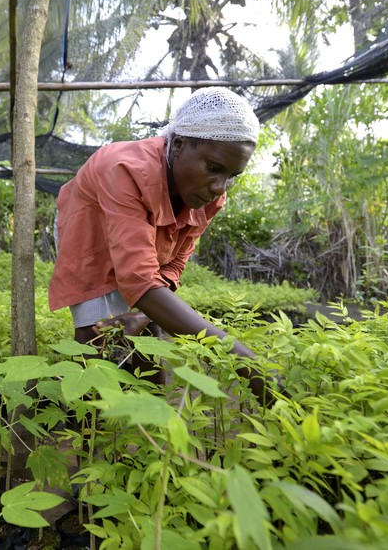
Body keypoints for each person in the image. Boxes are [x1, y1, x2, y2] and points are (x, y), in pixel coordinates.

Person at [48, 87, 278, 406]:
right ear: (180, 144)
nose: (219, 187)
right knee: (92, 336)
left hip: (139, 242)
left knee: (150, 327)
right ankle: (82, 438)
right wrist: (242, 360)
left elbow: (173, 266)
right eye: (214, 168)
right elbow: (140, 281)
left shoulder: (207, 197)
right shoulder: (124, 169)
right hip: (90, 232)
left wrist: (146, 308)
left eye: (231, 175)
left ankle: (148, 433)